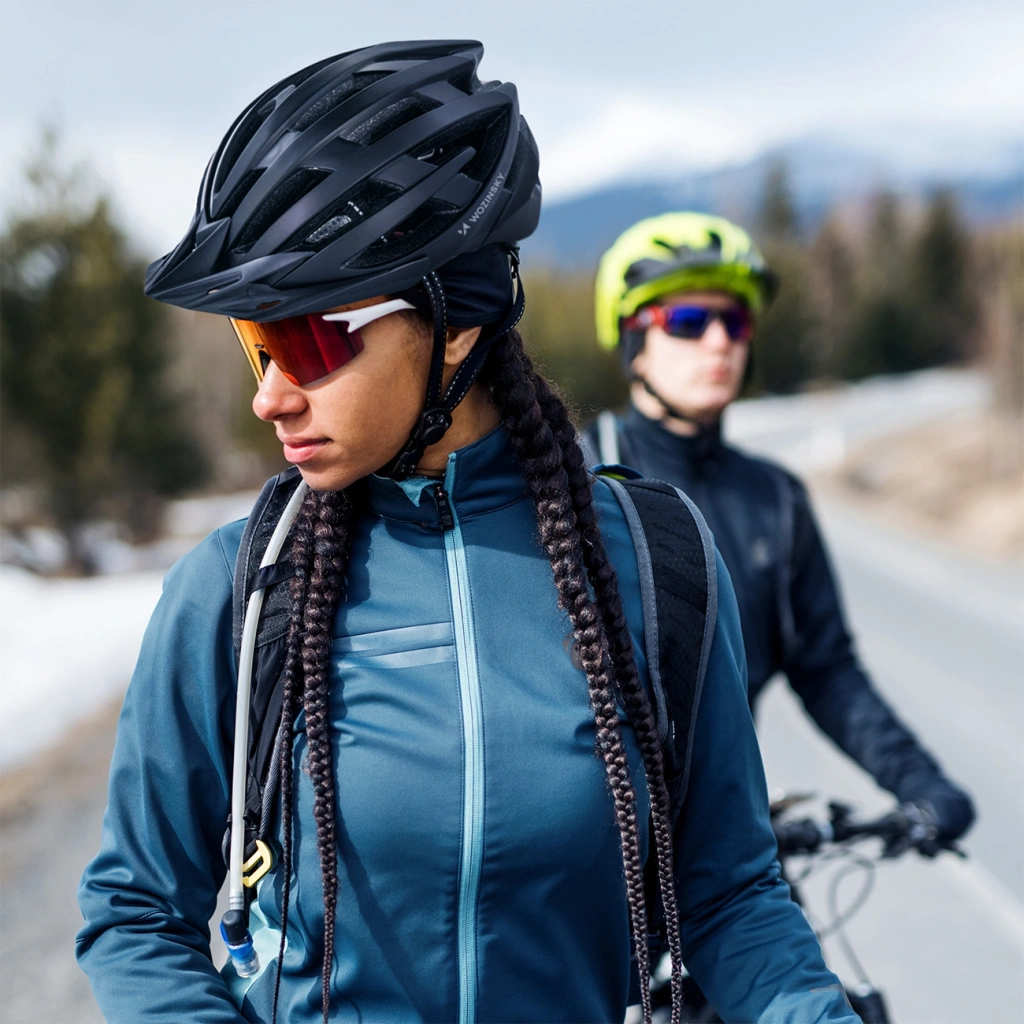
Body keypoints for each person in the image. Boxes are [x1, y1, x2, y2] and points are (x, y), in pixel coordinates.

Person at [77, 45, 860, 1024]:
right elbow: (136, 914)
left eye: (307, 342)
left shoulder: (656, 562)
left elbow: (729, 895)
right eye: (256, 344)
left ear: (454, 326)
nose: (269, 395)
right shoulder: (238, 589)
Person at [585, 211, 975, 857]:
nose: (719, 342)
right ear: (633, 340)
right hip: (599, 856)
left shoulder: (775, 498)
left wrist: (920, 782)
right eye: (688, 320)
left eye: (735, 321)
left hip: (728, 846)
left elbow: (826, 669)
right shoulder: (577, 482)